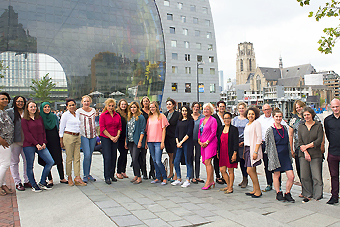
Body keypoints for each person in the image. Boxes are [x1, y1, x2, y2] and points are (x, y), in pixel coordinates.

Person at [22, 101, 54, 192]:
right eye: (31, 107)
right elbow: (27, 134)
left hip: (41, 144)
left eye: (35, 106)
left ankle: (43, 182)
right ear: (27, 108)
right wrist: (36, 144)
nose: (33, 108)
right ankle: (33, 184)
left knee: (50, 161)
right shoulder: (24, 120)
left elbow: (43, 131)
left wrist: (44, 142)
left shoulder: (39, 118)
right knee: (30, 166)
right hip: (29, 145)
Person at [264, 108, 295, 202]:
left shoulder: (284, 128)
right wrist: (270, 157)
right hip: (276, 155)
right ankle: (278, 192)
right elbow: (268, 144)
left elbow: (288, 141)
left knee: (291, 176)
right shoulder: (270, 130)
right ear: (273, 117)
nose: (278, 118)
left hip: (285, 155)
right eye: (276, 116)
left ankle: (288, 193)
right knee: (276, 175)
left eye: (280, 116)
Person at [257, 104, 287, 192]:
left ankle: (279, 184)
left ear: (271, 109)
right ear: (262, 110)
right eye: (265, 109)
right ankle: (269, 183)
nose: (267, 111)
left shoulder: (276, 118)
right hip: (265, 144)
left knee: (277, 164)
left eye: (268, 109)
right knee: (267, 165)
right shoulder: (260, 120)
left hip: (276, 144)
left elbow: (286, 129)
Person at [298, 107, 324, 203]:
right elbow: (299, 141)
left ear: (312, 115)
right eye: (305, 115)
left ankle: (318, 195)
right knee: (304, 175)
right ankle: (307, 193)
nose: (306, 116)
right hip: (303, 154)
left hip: (316, 154)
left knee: (316, 176)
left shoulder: (318, 125)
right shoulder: (301, 127)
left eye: (308, 114)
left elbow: (319, 140)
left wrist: (307, 147)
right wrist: (305, 152)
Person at [38, 102, 67, 186]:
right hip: (45, 141)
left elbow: (58, 127)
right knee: (47, 160)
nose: (47, 108)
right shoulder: (40, 118)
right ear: (42, 108)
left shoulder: (54, 116)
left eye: (48, 107)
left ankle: (62, 177)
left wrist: (60, 139)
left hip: (55, 140)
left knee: (59, 159)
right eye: (45, 107)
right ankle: (50, 179)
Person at [59, 99, 87, 186]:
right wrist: (61, 139)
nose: (72, 106)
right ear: (67, 107)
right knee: (69, 158)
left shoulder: (77, 114)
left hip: (77, 136)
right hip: (68, 136)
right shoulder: (65, 115)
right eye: (70, 105)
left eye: (73, 105)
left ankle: (77, 177)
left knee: (77, 157)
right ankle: (69, 176)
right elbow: (61, 127)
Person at [6, 96, 31, 191]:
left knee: (27, 161)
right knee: (14, 162)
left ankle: (27, 180)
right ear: (14, 102)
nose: (20, 103)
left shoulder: (26, 111)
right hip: (15, 141)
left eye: (22, 101)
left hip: (26, 141)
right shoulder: (9, 112)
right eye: (18, 101)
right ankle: (17, 182)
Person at [99, 98, 122, 184]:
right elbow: (102, 128)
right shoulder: (103, 115)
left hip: (115, 137)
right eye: (109, 106)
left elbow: (120, 127)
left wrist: (117, 136)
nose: (111, 107)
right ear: (106, 106)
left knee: (114, 156)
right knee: (107, 157)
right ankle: (107, 176)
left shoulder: (117, 115)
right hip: (106, 138)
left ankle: (112, 174)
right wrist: (111, 137)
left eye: (112, 106)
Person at [146, 101, 169, 185]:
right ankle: (158, 177)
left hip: (158, 141)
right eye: (150, 107)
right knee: (154, 160)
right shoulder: (149, 117)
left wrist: (163, 142)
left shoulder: (161, 116)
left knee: (158, 160)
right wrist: (146, 142)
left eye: (153, 107)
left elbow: (164, 130)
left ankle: (164, 177)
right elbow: (147, 130)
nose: (152, 109)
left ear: (156, 107)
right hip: (150, 141)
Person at [172, 105, 194, 188]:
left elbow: (189, 133)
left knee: (188, 160)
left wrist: (181, 142)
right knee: (176, 161)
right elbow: (176, 132)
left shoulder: (190, 121)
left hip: (187, 143)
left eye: (185, 110)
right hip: (178, 144)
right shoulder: (179, 120)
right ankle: (178, 178)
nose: (184, 112)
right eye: (183, 110)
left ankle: (188, 179)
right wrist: (178, 142)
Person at [217, 112, 239, 193]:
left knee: (230, 170)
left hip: (230, 152)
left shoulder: (234, 129)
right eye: (225, 118)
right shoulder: (220, 128)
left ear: (231, 119)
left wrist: (235, 153)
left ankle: (230, 187)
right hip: (222, 152)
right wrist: (218, 151)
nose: (227, 120)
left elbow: (236, 142)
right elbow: (219, 141)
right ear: (223, 119)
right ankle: (228, 185)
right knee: (222, 170)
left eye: (228, 118)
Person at [76, 95, 97, 183]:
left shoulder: (93, 110)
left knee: (90, 155)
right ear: (82, 102)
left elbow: (94, 121)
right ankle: (85, 175)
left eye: (88, 101)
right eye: (85, 101)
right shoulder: (79, 111)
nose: (86, 103)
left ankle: (88, 174)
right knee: (87, 154)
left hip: (93, 135)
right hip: (83, 134)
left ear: (90, 102)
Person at [125, 101, 146, 184]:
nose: (133, 109)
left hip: (137, 141)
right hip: (130, 140)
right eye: (131, 107)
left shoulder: (140, 117)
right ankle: (136, 175)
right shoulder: (129, 117)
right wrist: (126, 141)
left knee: (135, 158)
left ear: (137, 108)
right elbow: (127, 130)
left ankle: (139, 177)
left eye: (134, 107)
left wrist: (140, 141)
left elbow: (142, 130)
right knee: (133, 159)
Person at [244, 107, 262, 198]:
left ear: (255, 115)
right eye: (249, 114)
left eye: (252, 114)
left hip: (253, 149)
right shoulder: (247, 124)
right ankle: (255, 189)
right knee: (253, 170)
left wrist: (255, 151)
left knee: (249, 170)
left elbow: (259, 138)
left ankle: (258, 190)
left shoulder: (256, 123)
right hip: (247, 148)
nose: (250, 115)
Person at [198, 103, 218, 190]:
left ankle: (208, 181)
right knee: (207, 163)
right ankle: (212, 180)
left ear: (211, 111)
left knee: (207, 161)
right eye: (204, 109)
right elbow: (200, 131)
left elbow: (214, 132)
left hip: (210, 143)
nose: (205, 111)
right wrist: (199, 140)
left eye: (207, 109)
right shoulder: (201, 120)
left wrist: (207, 142)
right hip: (202, 143)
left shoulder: (213, 120)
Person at [325, 98, 340, 204]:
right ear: (331, 107)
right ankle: (334, 196)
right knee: (334, 175)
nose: (335, 109)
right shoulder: (327, 120)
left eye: (337, 106)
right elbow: (328, 135)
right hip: (333, 151)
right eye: (333, 107)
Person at [0, 92, 14, 196]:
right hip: (3, 142)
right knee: (5, 164)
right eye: (2, 99)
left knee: (2, 164)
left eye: (6, 99)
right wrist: (1, 140)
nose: (5, 100)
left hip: (6, 141)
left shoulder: (3, 111)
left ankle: (3, 184)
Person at [232, 102, 249, 188]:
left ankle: (245, 178)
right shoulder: (235, 119)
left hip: (244, 142)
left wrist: (244, 142)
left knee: (243, 161)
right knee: (236, 160)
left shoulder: (247, 120)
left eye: (243, 108)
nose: (241, 110)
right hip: (236, 141)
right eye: (240, 108)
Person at [164, 99, 180, 182]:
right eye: (167, 104)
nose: (168, 106)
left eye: (170, 104)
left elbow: (179, 126)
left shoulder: (177, 114)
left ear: (173, 105)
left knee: (175, 156)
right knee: (170, 155)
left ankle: (177, 174)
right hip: (167, 138)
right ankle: (171, 173)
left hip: (174, 137)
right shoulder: (165, 114)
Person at [140, 96, 155, 179]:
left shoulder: (152, 111)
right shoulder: (140, 112)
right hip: (144, 133)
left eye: (147, 101)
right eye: (144, 101)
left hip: (152, 133)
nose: (145, 102)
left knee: (152, 154)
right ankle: (144, 172)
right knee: (143, 154)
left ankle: (152, 171)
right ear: (142, 103)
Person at [212, 101, 226, 185]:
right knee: (216, 158)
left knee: (225, 158)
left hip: (226, 140)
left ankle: (224, 175)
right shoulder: (214, 117)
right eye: (220, 106)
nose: (222, 108)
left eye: (223, 106)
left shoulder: (227, 115)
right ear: (217, 107)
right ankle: (217, 176)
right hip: (217, 140)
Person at [191, 102, 205, 184]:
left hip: (199, 141)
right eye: (194, 107)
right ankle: (192, 176)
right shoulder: (190, 117)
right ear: (192, 107)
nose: (196, 108)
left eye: (197, 107)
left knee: (197, 158)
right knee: (191, 157)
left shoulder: (202, 117)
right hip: (190, 140)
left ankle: (197, 176)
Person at [116, 99, 129, 179]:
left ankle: (123, 171)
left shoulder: (128, 113)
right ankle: (118, 171)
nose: (123, 106)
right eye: (122, 104)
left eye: (125, 104)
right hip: (120, 136)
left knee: (125, 154)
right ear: (119, 105)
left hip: (127, 136)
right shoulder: (117, 114)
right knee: (122, 154)